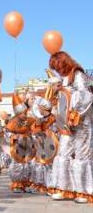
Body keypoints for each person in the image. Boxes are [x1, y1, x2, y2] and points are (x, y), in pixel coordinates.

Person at [48, 51, 93, 204]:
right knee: (62, 155)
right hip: (66, 125)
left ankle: (83, 191)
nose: (58, 70)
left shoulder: (78, 74)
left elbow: (86, 95)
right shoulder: (64, 79)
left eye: (58, 66)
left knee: (81, 157)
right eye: (55, 68)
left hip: (81, 124)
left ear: (64, 62)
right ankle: (64, 188)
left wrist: (74, 111)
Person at [6, 93, 35, 193]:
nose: (24, 115)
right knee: (17, 164)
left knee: (27, 163)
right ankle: (17, 184)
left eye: (25, 113)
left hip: (27, 144)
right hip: (17, 146)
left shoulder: (29, 120)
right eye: (22, 113)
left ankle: (26, 183)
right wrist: (14, 137)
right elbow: (8, 132)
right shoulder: (12, 121)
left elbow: (32, 130)